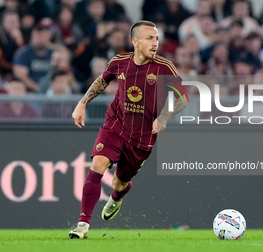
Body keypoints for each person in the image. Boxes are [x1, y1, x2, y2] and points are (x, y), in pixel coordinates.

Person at [69, 20, 188, 239]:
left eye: (157, 39)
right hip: (115, 124)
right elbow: (103, 81)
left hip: (143, 136)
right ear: (135, 41)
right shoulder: (119, 62)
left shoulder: (164, 67)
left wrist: (163, 117)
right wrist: (82, 103)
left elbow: (183, 98)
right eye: (149, 39)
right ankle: (83, 224)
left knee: (120, 181)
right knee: (97, 164)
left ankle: (116, 196)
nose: (155, 43)